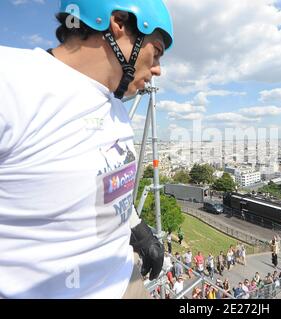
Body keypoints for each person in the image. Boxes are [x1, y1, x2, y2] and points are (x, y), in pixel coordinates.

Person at [0, 0, 173, 299]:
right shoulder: (12, 81)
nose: (158, 69)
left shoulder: (115, 107)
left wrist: (136, 227)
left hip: (124, 281)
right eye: (155, 51)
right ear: (118, 22)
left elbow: (101, 186)